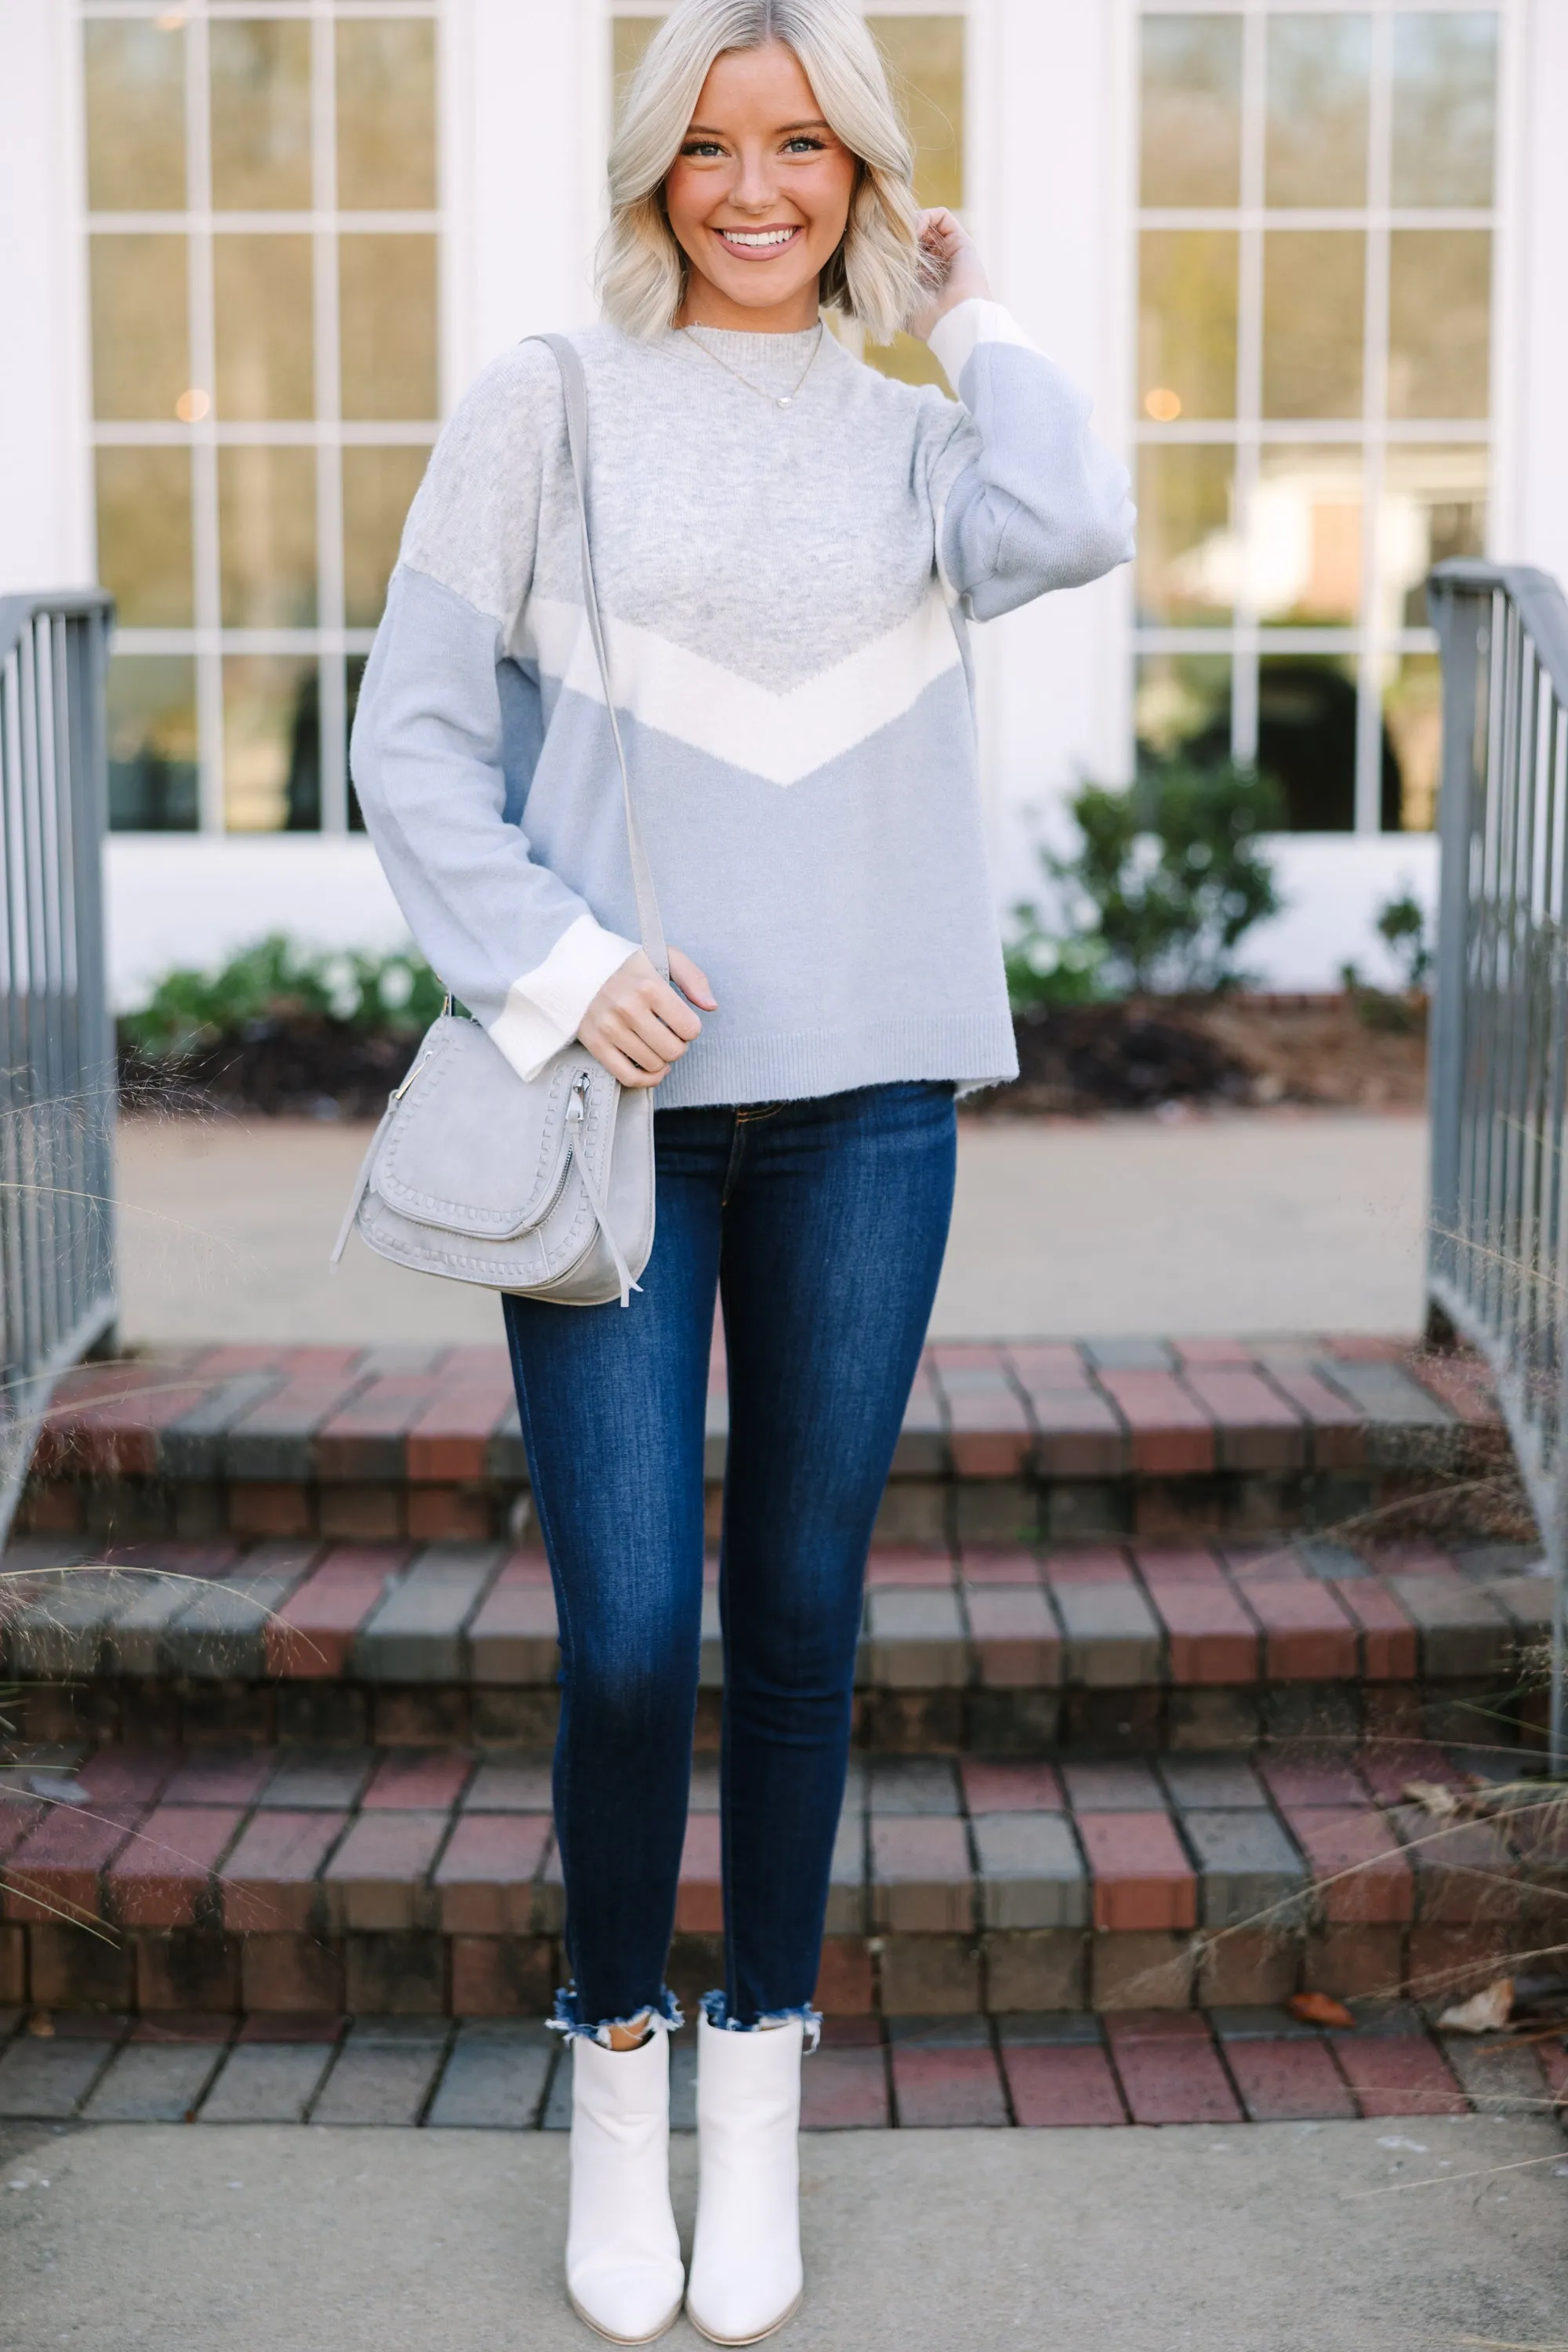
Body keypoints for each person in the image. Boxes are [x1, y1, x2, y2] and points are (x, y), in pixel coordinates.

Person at [351, 0, 1133, 2338]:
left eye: (807, 145)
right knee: (626, 1638)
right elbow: (407, 747)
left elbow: (1076, 513)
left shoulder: (920, 450)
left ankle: (760, 2080)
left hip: (874, 1098)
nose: (760, 187)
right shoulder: (546, 404)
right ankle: (612, 2059)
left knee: (797, 1617)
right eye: (713, 146)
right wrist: (567, 967)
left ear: (865, 175)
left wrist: (972, 308)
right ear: (650, 175)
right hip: (616, 1116)